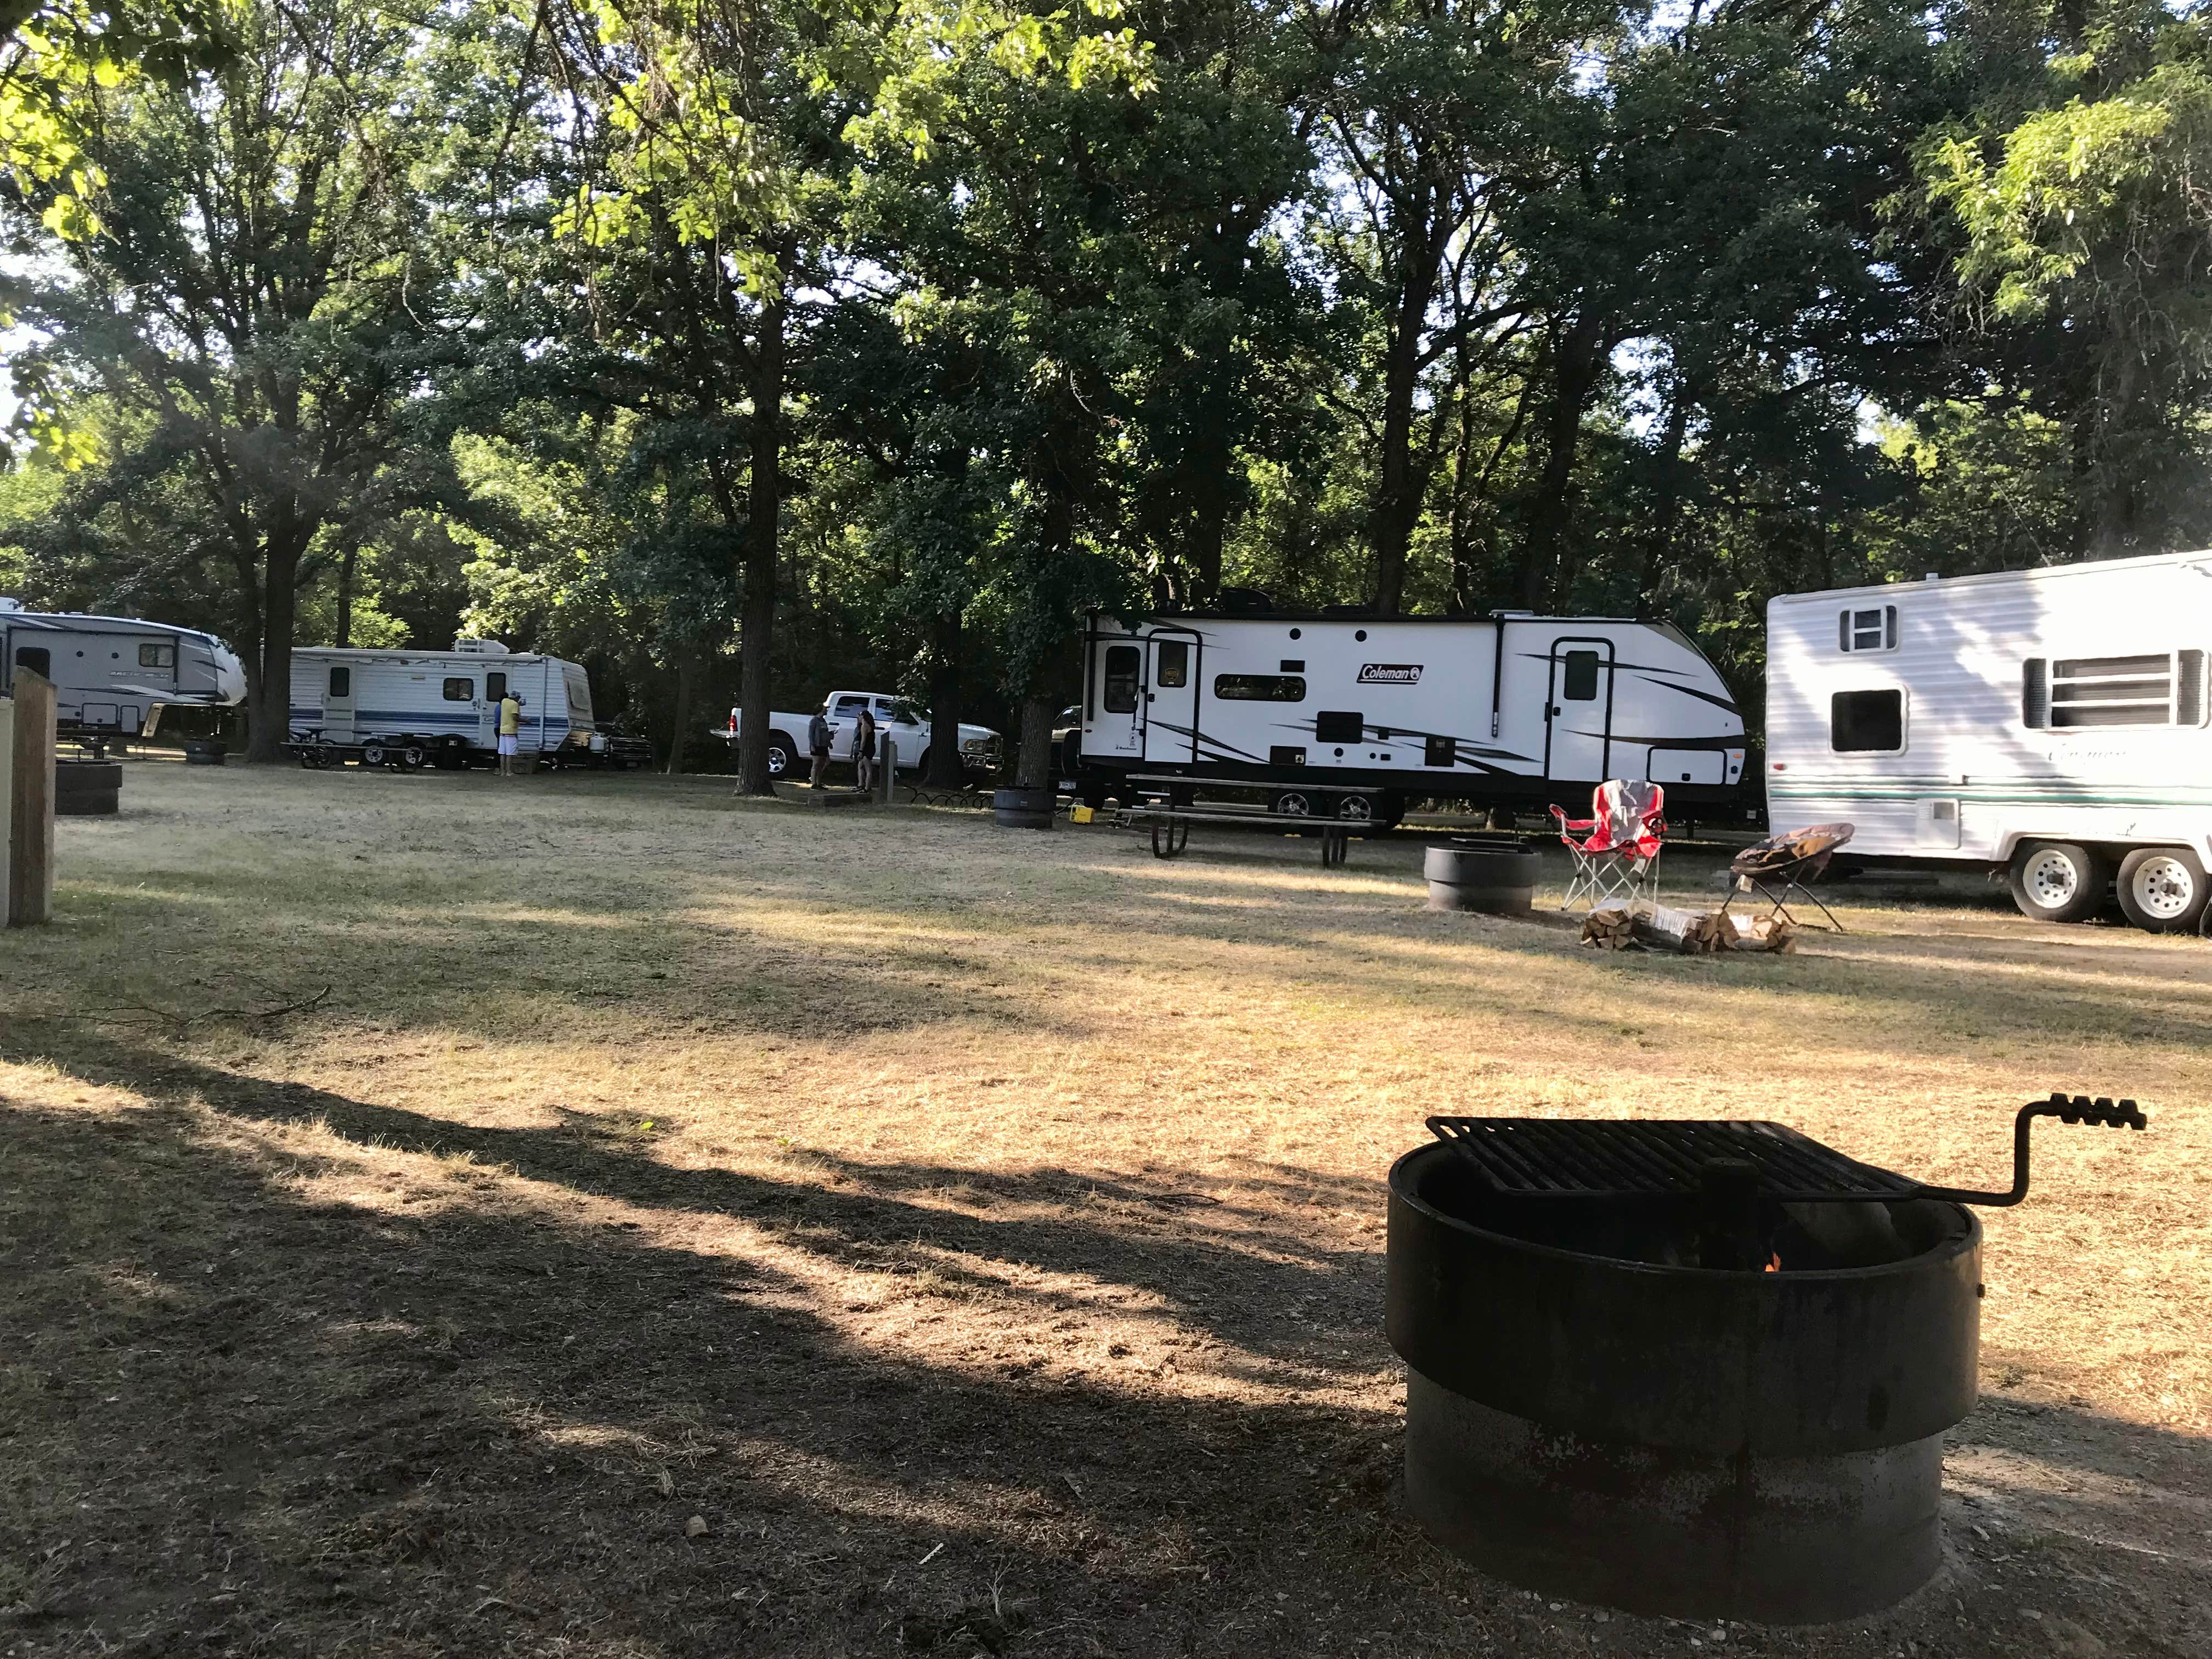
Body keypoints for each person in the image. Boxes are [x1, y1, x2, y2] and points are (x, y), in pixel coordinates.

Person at [497, 689, 523, 776]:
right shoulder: (515, 704)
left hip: (502, 730)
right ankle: (509, 772)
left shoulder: (504, 701)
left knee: (502, 753)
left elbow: (510, 707)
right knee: (510, 753)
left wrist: (518, 705)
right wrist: (526, 721)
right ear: (517, 697)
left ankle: (503, 772)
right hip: (511, 731)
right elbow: (515, 717)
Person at [851, 703, 877, 793]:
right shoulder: (869, 725)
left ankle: (867, 788)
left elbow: (863, 740)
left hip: (867, 749)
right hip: (870, 747)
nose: (858, 718)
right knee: (860, 766)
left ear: (863, 717)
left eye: (860, 716)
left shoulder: (864, 726)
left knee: (868, 769)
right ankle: (861, 785)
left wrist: (861, 751)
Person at [808, 705, 833, 788]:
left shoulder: (823, 721)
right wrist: (812, 745)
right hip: (817, 745)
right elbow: (811, 734)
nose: (827, 710)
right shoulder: (814, 721)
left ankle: (819, 783)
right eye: (825, 708)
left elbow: (825, 732)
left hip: (824, 745)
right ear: (821, 710)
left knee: (822, 764)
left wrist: (829, 741)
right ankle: (814, 783)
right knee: (816, 764)